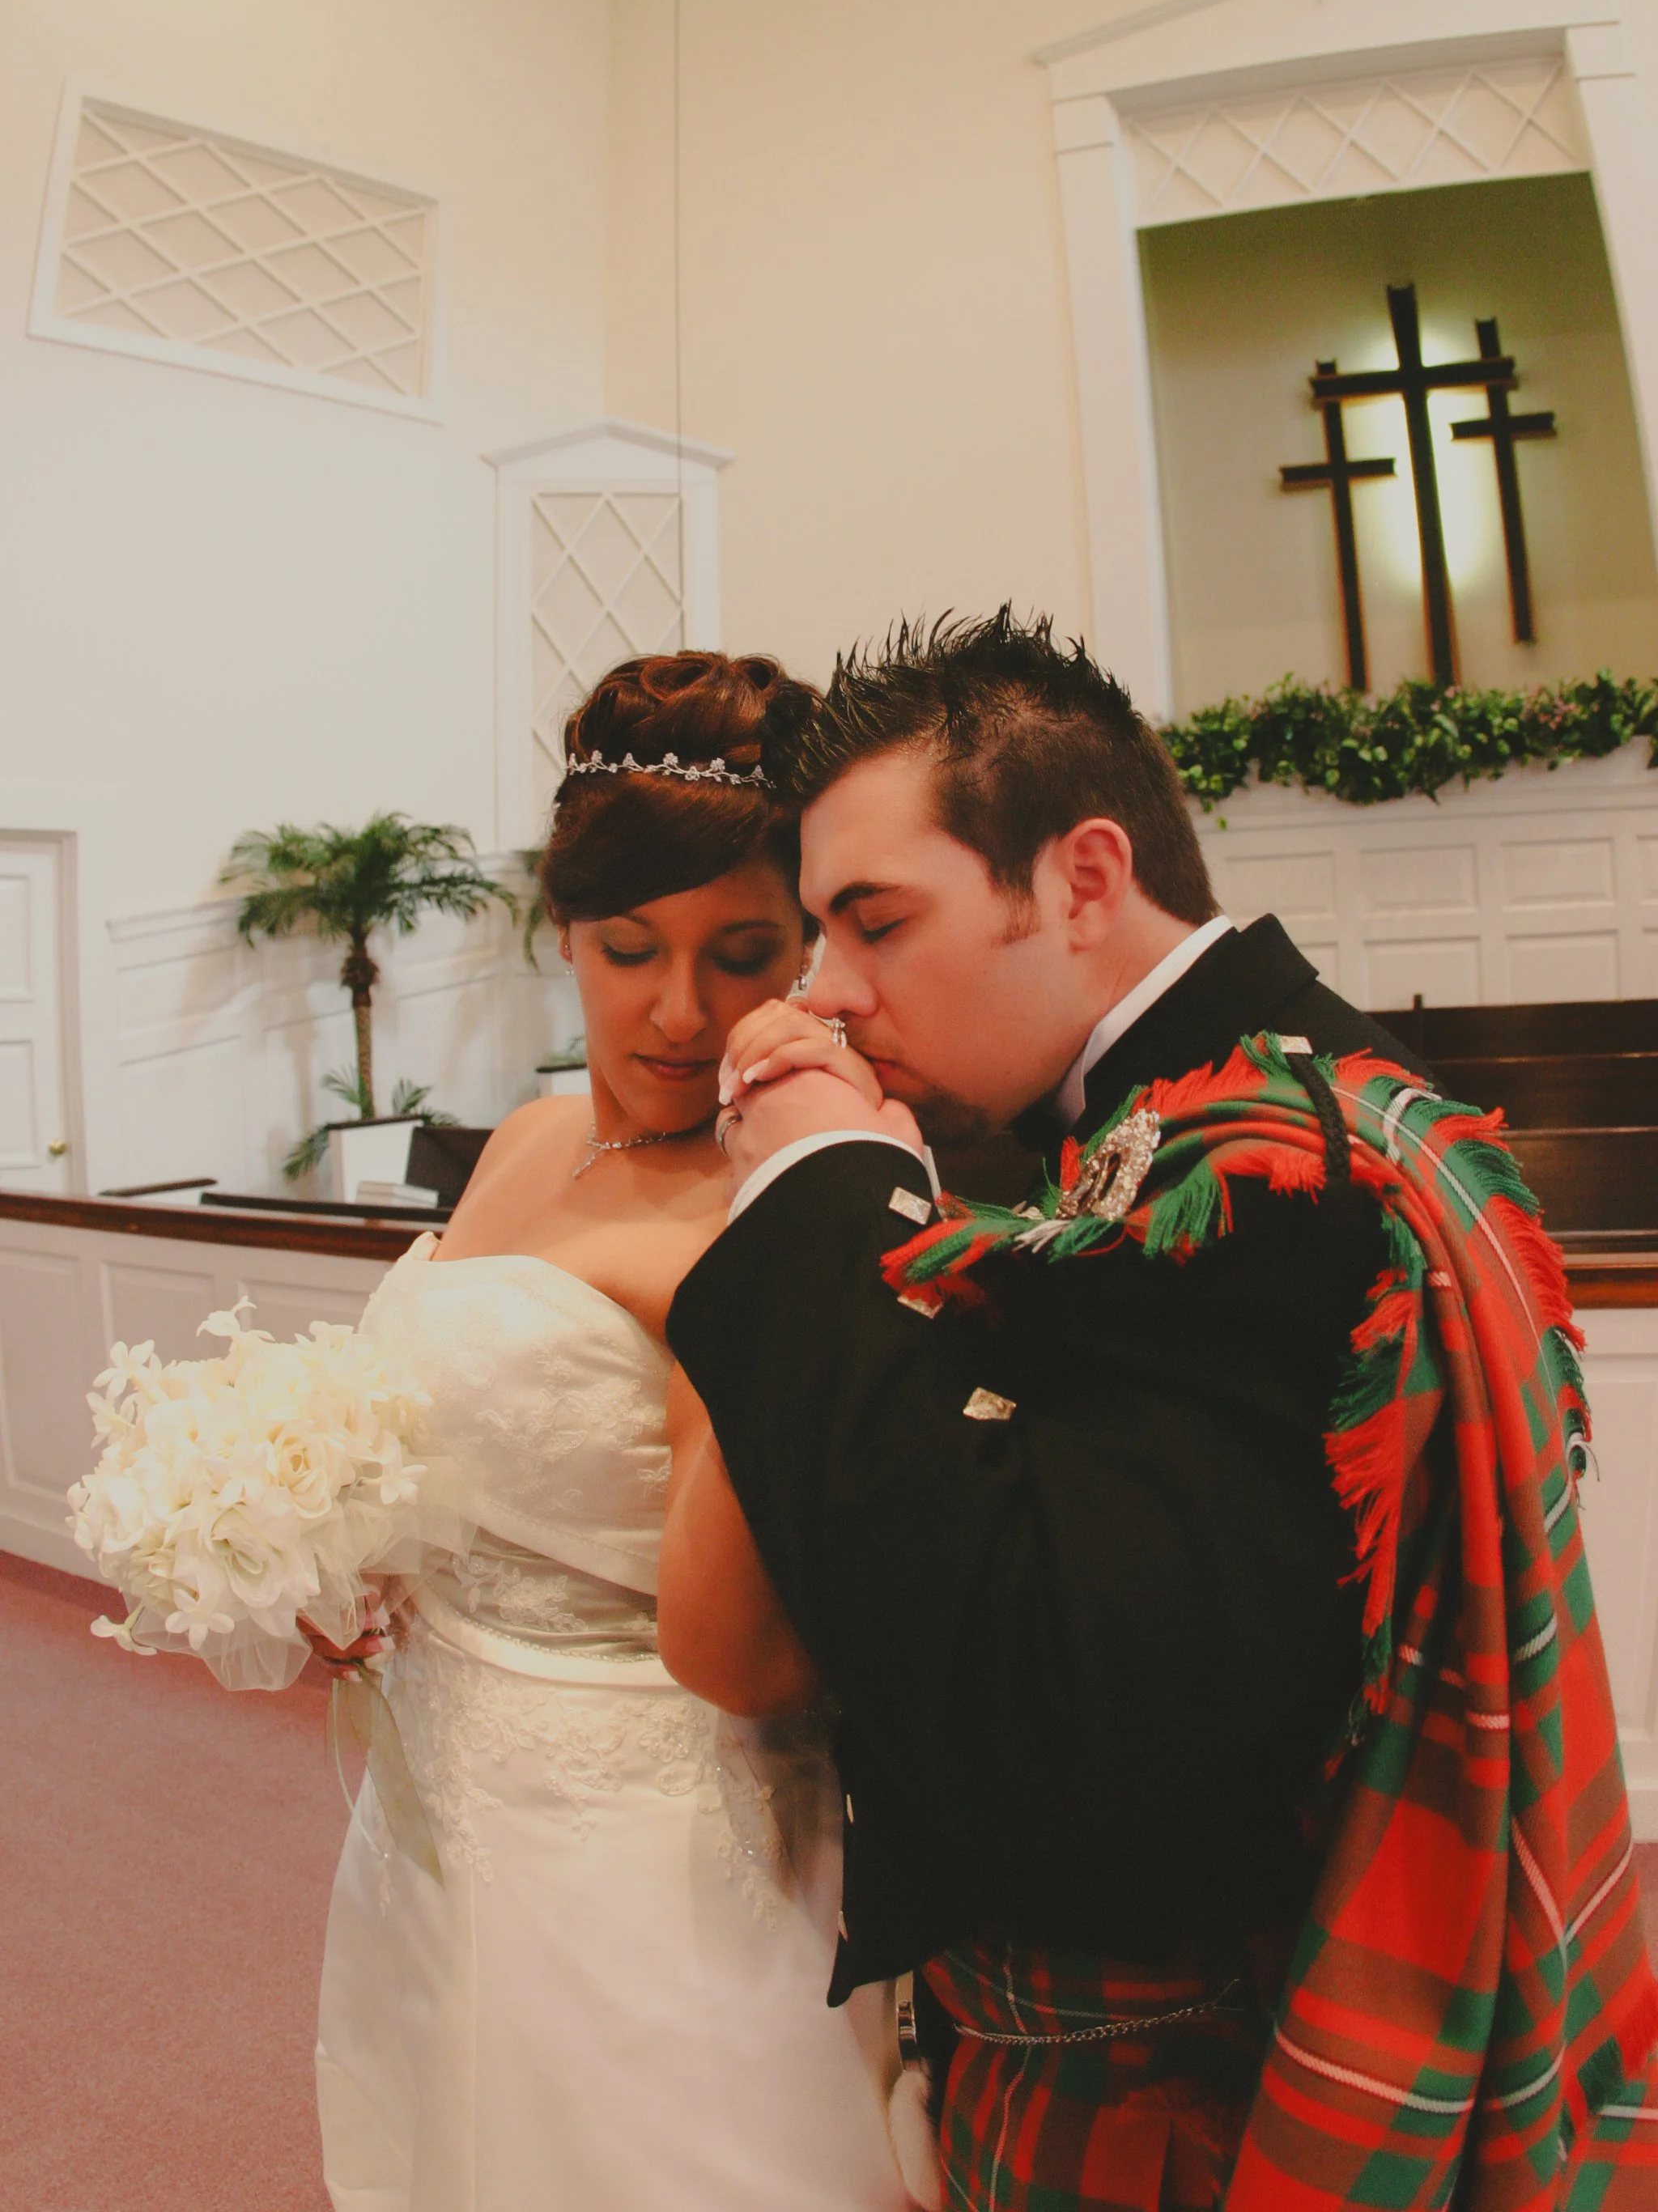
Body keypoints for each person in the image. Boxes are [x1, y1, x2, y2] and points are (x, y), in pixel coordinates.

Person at [662, 613, 1658, 2212]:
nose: (829, 993)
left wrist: (809, 1180)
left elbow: (1022, 1700)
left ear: (1080, 876)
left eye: (875, 922)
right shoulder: (1243, 1103)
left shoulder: (1261, 1183)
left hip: (1175, 2084)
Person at [311, 652, 913, 2212]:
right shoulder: (523, 1139)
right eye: (626, 947)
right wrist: (347, 1560)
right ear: (560, 933)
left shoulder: (777, 1200)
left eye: (743, 953)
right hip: (441, 1812)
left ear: (811, 949)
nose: (678, 1010)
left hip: (646, 1850)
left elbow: (769, 1655)